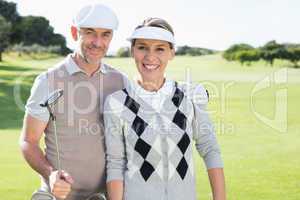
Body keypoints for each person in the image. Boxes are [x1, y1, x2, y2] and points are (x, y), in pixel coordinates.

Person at [104, 18, 226, 200]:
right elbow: (115, 163)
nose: (150, 56)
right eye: (142, 47)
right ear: (132, 51)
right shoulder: (117, 103)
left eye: (160, 48)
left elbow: (210, 149)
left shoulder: (191, 95)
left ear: (172, 53)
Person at [19, 3, 128, 200]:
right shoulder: (48, 81)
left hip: (106, 196)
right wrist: (50, 174)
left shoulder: (120, 81)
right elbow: (29, 141)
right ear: (74, 32)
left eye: (105, 34)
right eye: (89, 33)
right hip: (56, 196)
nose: (97, 42)